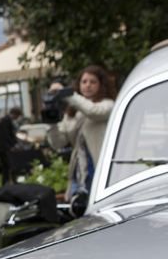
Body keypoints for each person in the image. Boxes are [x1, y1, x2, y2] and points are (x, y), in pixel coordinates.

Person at [48, 65, 117, 201]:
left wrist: (68, 94)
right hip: (79, 174)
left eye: (93, 82)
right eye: (84, 82)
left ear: (101, 85)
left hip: (101, 172)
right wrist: (52, 124)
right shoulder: (72, 112)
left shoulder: (108, 105)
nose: (87, 85)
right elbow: (59, 143)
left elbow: (92, 111)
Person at [0, 106, 23, 185]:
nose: (17, 118)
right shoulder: (6, 120)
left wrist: (15, 143)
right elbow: (6, 135)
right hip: (2, 147)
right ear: (15, 114)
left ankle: (7, 181)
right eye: (17, 116)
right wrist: (12, 146)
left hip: (2, 146)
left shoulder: (6, 120)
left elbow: (10, 135)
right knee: (8, 164)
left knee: (6, 165)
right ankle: (7, 181)